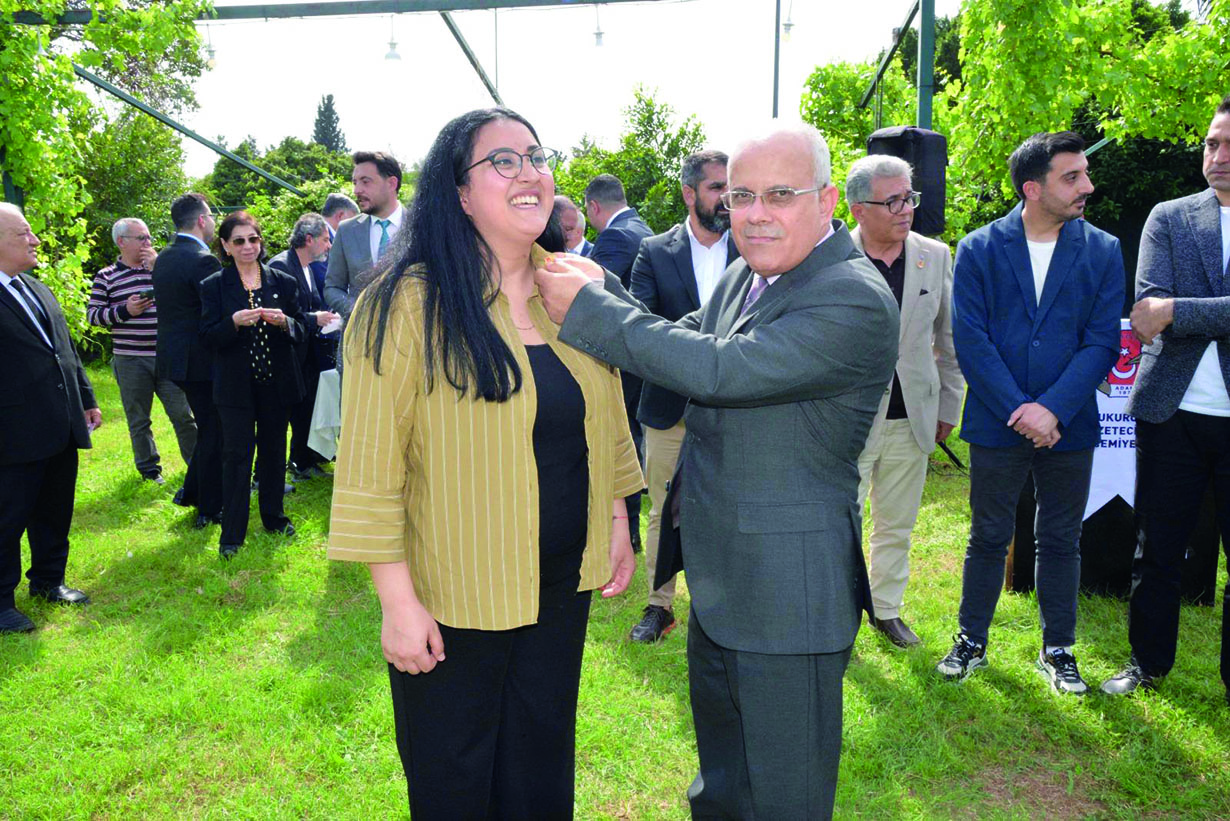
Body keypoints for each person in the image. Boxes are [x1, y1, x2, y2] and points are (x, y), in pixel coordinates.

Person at [535, 123, 899, 820]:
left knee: (785, 798)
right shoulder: (749, 274)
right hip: (724, 579)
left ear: (827, 201)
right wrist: (600, 285)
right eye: (741, 196)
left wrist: (589, 309)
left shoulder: (851, 295)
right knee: (724, 786)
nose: (755, 214)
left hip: (788, 596)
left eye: (779, 195)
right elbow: (679, 336)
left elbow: (721, 370)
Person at [327, 107, 642, 819]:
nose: (529, 172)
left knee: (540, 770)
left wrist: (618, 516)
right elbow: (371, 465)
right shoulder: (403, 304)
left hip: (560, 587)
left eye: (536, 156)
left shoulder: (574, 289)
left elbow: (605, 411)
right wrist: (397, 604)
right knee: (455, 780)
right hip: (453, 596)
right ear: (460, 194)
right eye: (503, 160)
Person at [935, 132, 1124, 693]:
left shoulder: (1103, 249)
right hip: (998, 419)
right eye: (1073, 177)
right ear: (1032, 188)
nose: (1088, 186)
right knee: (988, 536)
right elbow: (971, 339)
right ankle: (971, 640)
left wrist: (1053, 410)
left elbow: (1101, 342)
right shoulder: (979, 248)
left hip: (1070, 423)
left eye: (1085, 173)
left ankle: (1058, 649)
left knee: (1062, 538)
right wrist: (1021, 409)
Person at [1101, 95, 1230, 702]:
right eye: (1212, 143)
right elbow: (1147, 312)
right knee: (1156, 549)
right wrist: (1172, 311)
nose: (1218, 156)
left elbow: (1165, 309)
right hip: (1169, 413)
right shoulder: (1170, 217)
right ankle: (1146, 664)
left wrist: (1179, 307)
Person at [846, 155, 964, 648]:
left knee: (897, 523)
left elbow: (950, 339)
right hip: (846, 420)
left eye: (909, 198)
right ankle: (839, 613)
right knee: (841, 523)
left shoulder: (934, 255)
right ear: (858, 209)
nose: (906, 209)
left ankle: (886, 609)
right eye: (892, 201)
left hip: (912, 414)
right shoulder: (831, 256)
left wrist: (948, 408)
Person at [626, 149, 738, 643]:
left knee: (735, 508)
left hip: (737, 404)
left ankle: (730, 605)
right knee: (663, 509)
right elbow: (642, 326)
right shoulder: (654, 251)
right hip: (669, 404)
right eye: (717, 187)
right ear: (690, 194)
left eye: (731, 187)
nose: (728, 197)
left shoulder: (755, 246)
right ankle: (659, 606)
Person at [0, 203, 101, 633]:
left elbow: (64, 349)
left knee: (54, 508)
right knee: (7, 517)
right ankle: (1, 603)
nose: (35, 240)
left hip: (59, 422)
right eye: (23, 233)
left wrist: (86, 397)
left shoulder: (36, 288)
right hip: (12, 431)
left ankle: (48, 581)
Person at [200, 212, 305, 559]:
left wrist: (285, 322)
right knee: (236, 457)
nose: (248, 246)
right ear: (226, 246)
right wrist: (232, 323)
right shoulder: (214, 285)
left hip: (276, 384)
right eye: (239, 241)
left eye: (253, 239)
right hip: (235, 388)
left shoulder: (282, 281)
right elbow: (206, 337)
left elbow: (302, 328)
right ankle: (232, 533)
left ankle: (274, 518)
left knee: (274, 453)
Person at [88, 218, 197, 486]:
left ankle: (198, 465)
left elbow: (186, 299)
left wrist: (160, 268)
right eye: (142, 238)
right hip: (131, 359)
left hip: (167, 356)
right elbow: (93, 316)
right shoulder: (106, 276)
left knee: (183, 415)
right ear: (121, 242)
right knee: (139, 419)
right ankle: (150, 471)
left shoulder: (161, 269)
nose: (148, 243)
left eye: (149, 237)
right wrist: (126, 310)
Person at [585, 174, 653, 553]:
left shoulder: (615, 237)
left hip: (618, 359)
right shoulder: (642, 229)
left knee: (617, 440)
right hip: (640, 356)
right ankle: (630, 529)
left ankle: (624, 530)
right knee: (631, 437)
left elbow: (589, 293)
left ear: (594, 206)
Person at [152, 193, 224, 529]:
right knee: (215, 430)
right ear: (201, 220)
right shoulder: (203, 260)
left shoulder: (164, 256)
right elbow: (214, 311)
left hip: (175, 359)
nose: (213, 223)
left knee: (210, 427)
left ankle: (191, 492)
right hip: (200, 360)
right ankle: (209, 507)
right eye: (211, 216)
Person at [268, 214, 341, 480]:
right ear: (309, 239)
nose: (329, 246)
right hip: (287, 354)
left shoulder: (308, 266)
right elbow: (280, 314)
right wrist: (314, 319)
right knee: (290, 412)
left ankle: (306, 459)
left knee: (308, 406)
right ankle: (285, 467)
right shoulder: (281, 265)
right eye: (325, 239)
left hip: (308, 351)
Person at [323, 151, 405, 316]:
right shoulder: (346, 231)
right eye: (355, 183)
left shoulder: (421, 228)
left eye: (365, 182)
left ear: (391, 183)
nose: (356, 190)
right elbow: (332, 288)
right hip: (359, 330)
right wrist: (357, 311)